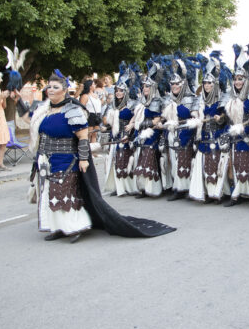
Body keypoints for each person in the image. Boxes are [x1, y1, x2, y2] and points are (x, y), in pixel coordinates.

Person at [16, 70, 175, 243]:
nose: (50, 89)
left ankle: (73, 227)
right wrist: (17, 100)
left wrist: (84, 159)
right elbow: (29, 119)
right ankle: (58, 228)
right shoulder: (44, 111)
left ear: (63, 90)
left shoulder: (73, 110)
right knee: (49, 194)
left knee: (65, 194)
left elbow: (83, 138)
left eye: (55, 87)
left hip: (67, 160)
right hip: (47, 160)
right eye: (49, 86)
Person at [218, 44, 249, 207]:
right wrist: (221, 118)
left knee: (246, 167)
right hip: (230, 136)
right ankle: (234, 195)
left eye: (240, 79)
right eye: (235, 79)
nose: (237, 81)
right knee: (231, 167)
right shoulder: (227, 96)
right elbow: (224, 118)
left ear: (246, 80)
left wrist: (246, 127)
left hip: (246, 137)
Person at [189, 53, 231, 203]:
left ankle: (218, 193)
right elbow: (193, 112)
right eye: (205, 83)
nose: (206, 85)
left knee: (215, 165)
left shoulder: (222, 98)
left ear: (214, 84)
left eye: (209, 83)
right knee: (204, 166)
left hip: (217, 136)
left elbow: (228, 117)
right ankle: (206, 192)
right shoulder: (199, 100)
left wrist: (221, 118)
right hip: (203, 136)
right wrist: (195, 117)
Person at [161, 55, 200, 201]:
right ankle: (177, 189)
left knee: (185, 161)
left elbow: (195, 116)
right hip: (171, 134)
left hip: (186, 134)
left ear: (183, 84)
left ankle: (188, 188)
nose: (174, 86)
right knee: (173, 161)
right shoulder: (167, 100)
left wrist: (193, 119)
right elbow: (163, 117)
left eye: (177, 83)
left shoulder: (191, 99)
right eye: (172, 84)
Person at [102, 63, 140, 197]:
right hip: (115, 136)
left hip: (127, 136)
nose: (118, 93)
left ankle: (128, 188)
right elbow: (108, 120)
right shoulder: (113, 105)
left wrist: (132, 124)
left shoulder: (132, 104)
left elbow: (139, 114)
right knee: (115, 161)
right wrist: (105, 126)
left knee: (126, 160)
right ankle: (118, 188)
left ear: (126, 92)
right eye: (117, 90)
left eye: (121, 91)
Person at [132, 59, 165, 198]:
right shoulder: (141, 102)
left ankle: (152, 189)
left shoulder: (157, 101)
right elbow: (136, 117)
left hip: (153, 135)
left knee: (148, 158)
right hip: (140, 134)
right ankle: (142, 188)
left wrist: (142, 124)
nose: (145, 88)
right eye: (144, 86)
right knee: (138, 159)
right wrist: (133, 124)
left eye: (147, 86)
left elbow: (157, 120)